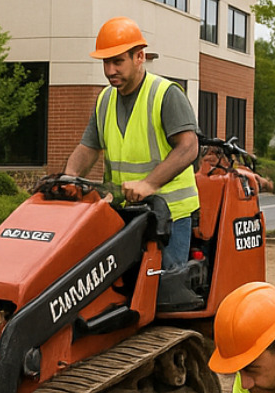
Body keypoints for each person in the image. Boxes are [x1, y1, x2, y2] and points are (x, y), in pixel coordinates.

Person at [65, 16, 200, 270]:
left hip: (169, 216)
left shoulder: (165, 94)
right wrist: (68, 179)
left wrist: (149, 183)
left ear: (140, 57)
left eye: (118, 61)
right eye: (106, 62)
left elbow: (189, 147)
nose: (110, 70)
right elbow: (88, 148)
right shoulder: (105, 99)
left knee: (161, 293)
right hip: (125, 213)